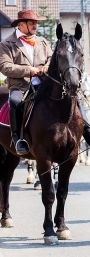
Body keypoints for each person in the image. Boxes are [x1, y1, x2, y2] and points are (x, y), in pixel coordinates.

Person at [0, 10, 52, 155]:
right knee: (15, 101)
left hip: (43, 83)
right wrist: (29, 70)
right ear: (22, 25)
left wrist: (46, 67)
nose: (35, 26)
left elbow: (51, 58)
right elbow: (5, 67)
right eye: (32, 23)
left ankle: (86, 131)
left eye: (36, 23)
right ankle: (17, 139)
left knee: (69, 95)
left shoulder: (42, 41)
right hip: (20, 85)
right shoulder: (6, 43)